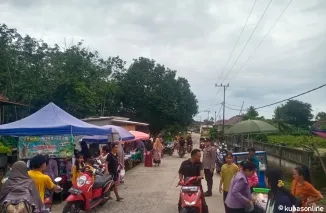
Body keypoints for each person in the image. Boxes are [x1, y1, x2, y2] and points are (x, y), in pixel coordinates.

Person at [178, 149, 209, 213]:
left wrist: (200, 176)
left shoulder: (199, 164)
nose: (200, 158)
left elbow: (201, 172)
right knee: (181, 202)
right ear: (193, 156)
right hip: (186, 186)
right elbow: (180, 172)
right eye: (199, 156)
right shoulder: (184, 163)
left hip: (196, 186)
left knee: (203, 204)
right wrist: (181, 180)